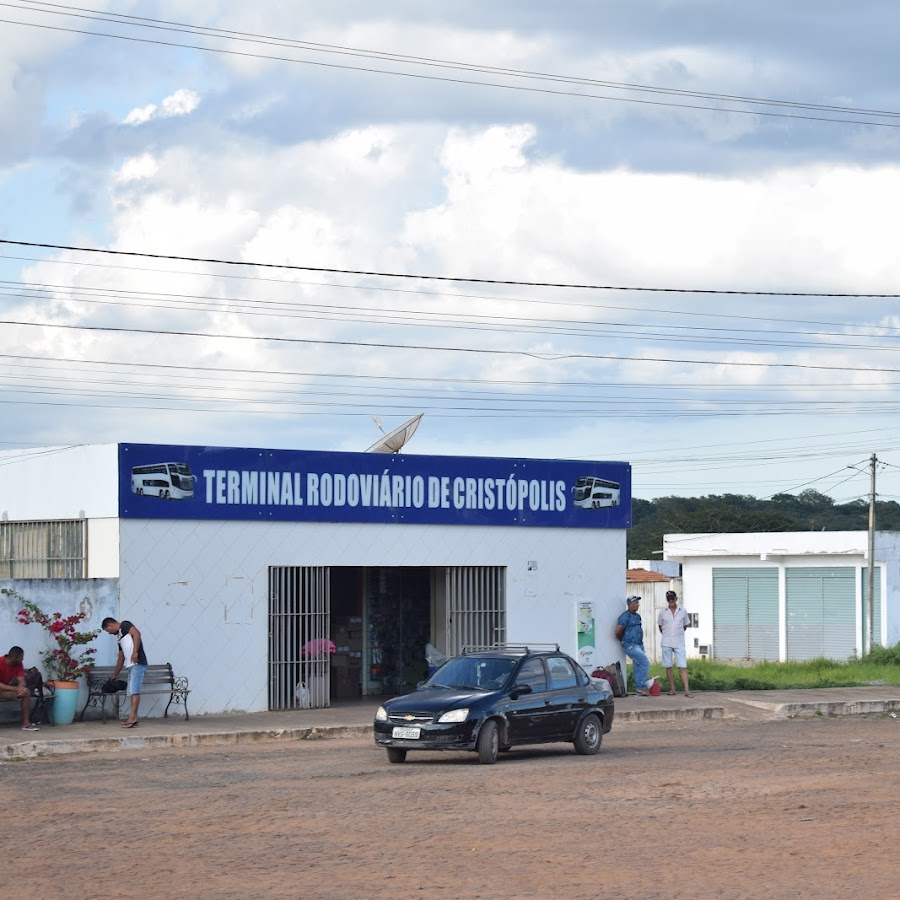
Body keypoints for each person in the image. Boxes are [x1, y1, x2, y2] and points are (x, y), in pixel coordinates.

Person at [102, 617, 148, 728]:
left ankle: (133, 717)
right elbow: (121, 658)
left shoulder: (125, 625)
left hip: (137, 663)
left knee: (134, 691)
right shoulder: (120, 637)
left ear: (110, 625)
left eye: (108, 630)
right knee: (131, 691)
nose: (109, 633)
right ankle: (133, 717)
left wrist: (135, 652)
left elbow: (137, 634)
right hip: (131, 665)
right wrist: (115, 675)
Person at [658, 590, 692, 697]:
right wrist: (667, 634)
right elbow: (660, 626)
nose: (671, 600)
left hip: (679, 642)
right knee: (668, 666)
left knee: (683, 666)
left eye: (672, 598)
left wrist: (677, 633)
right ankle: (672, 688)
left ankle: (687, 690)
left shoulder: (683, 611)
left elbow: (685, 625)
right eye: (669, 598)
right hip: (666, 642)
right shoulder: (662, 612)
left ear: (676, 599)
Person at [616, 596, 651, 696]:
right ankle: (641, 687)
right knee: (644, 662)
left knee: (637, 665)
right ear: (629, 605)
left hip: (639, 644)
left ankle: (638, 688)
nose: (638, 605)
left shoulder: (637, 616)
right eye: (635, 603)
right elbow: (618, 631)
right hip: (630, 645)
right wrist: (623, 641)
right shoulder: (625, 616)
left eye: (638, 603)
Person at [0, 645, 39, 731]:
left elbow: (22, 680)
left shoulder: (18, 664)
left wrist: (21, 689)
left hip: (4, 690)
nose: (23, 659)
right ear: (14, 658)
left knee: (26, 693)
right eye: (21, 657)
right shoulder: (0, 662)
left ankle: (25, 723)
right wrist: (16, 689)